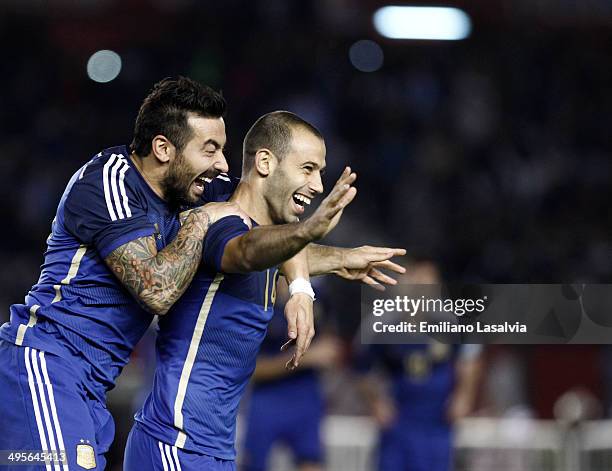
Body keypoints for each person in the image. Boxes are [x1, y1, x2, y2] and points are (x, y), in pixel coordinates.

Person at [0, 77, 390, 470]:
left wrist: (310, 282)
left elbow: (266, 225)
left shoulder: (193, 186)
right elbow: (157, 291)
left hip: (92, 386)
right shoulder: (109, 184)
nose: (222, 164)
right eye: (210, 149)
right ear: (164, 149)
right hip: (44, 366)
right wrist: (203, 220)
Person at [123, 111, 406, 471]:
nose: (318, 185)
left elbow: (275, 249)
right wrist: (307, 233)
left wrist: (336, 261)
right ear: (265, 162)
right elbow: (248, 250)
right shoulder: (220, 221)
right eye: (307, 169)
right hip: (175, 443)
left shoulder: (266, 236)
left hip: (210, 448)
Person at [355, 261, 483, 471]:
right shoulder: (381, 324)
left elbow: (470, 358)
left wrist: (464, 397)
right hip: (399, 419)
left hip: (438, 420)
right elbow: (362, 367)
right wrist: (376, 402)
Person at [240, 281, 342, 471]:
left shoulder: (318, 296)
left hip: (306, 395)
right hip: (266, 399)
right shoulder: (254, 299)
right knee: (253, 464)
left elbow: (331, 345)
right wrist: (304, 357)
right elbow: (250, 369)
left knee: (311, 462)